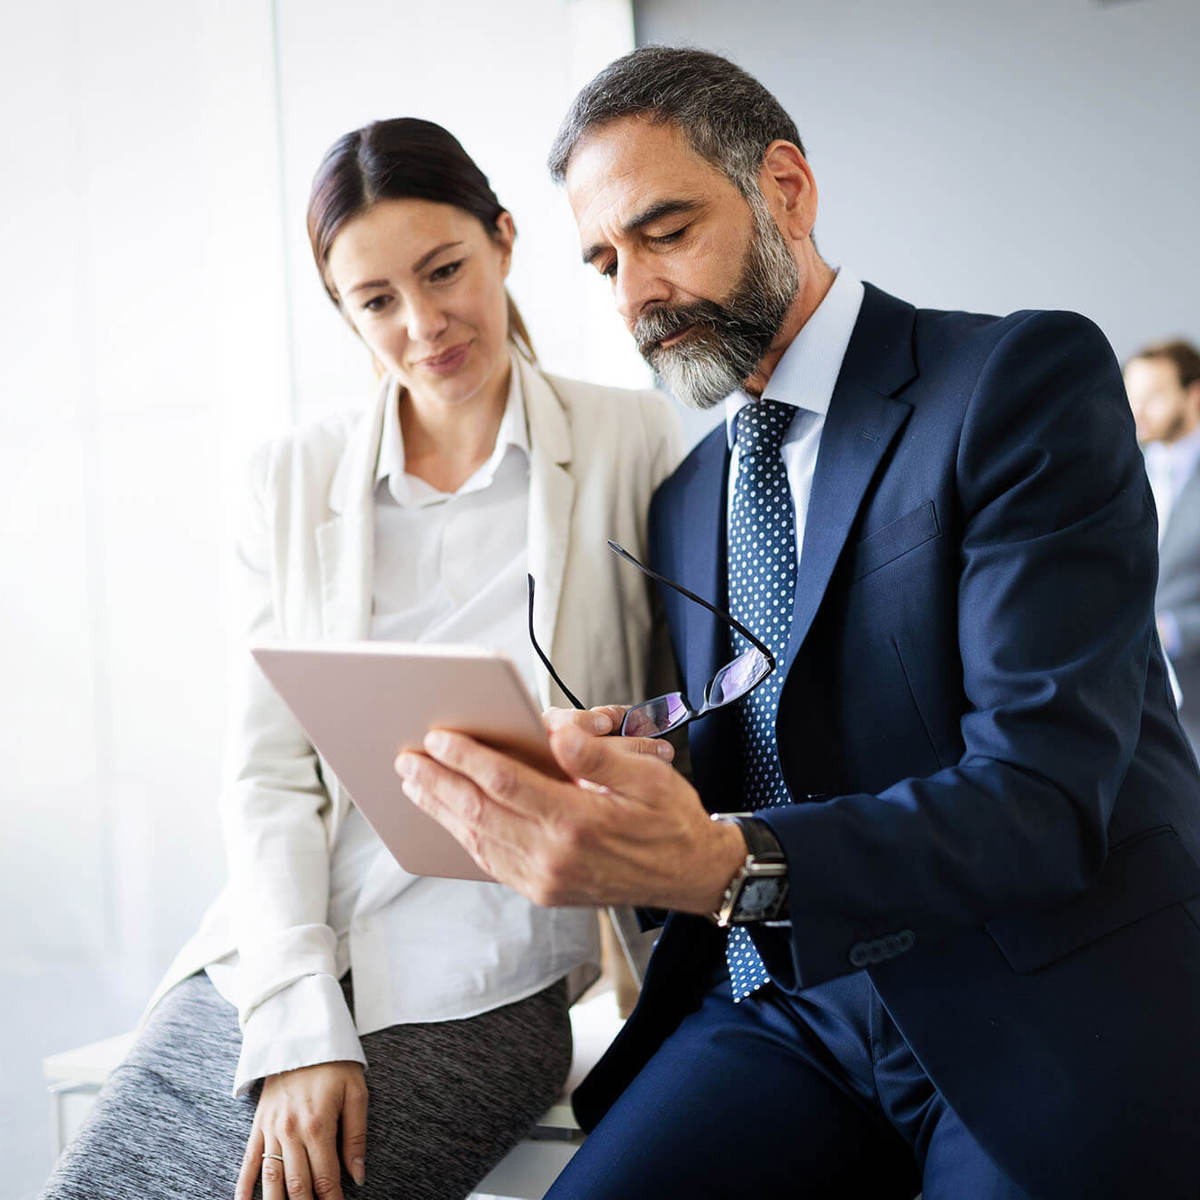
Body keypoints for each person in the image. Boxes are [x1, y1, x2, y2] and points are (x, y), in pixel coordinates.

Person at [397, 48, 1200, 1200]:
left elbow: (1046, 796)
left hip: (1040, 992)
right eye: (605, 261)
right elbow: (774, 749)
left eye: (664, 231)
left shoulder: (1019, 380)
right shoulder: (686, 498)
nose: (636, 297)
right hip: (791, 1009)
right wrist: (648, 774)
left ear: (786, 189)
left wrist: (724, 860)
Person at [42, 117, 680, 1200]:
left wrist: (627, 741)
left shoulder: (638, 443)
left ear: (506, 240)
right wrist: (295, 1022)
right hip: (277, 948)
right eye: (376, 302)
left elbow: (693, 716)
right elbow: (269, 774)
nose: (424, 324)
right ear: (342, 310)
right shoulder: (291, 479)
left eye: (445, 273)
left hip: (492, 971)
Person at [1125, 339, 1200, 754]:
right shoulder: (1122, 471)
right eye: (1132, 397)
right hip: (1136, 707)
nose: (1137, 411)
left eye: (1153, 398)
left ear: (1194, 395)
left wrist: (1173, 631)